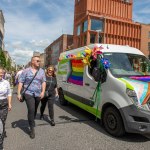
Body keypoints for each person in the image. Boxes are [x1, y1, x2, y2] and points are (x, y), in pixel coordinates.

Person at [17, 56, 46, 139]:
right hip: (28, 93)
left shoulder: (41, 71)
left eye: (39, 61)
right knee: (31, 109)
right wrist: (19, 93)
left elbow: (43, 82)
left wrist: (43, 91)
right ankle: (32, 129)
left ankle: (31, 119)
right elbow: (21, 82)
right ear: (32, 62)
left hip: (38, 94)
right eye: (37, 61)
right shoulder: (26, 71)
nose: (39, 62)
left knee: (34, 110)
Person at [0, 66, 12, 150]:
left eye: (2, 74)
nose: (1, 75)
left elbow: (9, 93)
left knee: (2, 121)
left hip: (3, 103)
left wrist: (9, 103)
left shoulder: (6, 82)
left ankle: (2, 131)